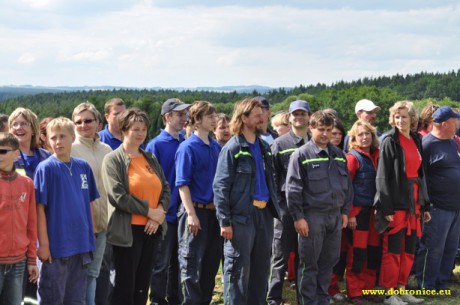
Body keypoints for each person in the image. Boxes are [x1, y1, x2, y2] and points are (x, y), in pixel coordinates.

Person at [213, 97, 281, 305]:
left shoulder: (263, 147)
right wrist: (224, 221)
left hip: (264, 215)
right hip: (241, 218)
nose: (263, 119)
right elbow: (220, 187)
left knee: (261, 270)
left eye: (263, 115)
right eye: (258, 116)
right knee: (238, 271)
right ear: (244, 118)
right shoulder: (232, 149)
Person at [101, 108, 170, 305]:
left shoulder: (150, 158)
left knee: (142, 285)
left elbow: (165, 189)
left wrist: (158, 216)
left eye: (143, 129)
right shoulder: (113, 159)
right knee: (124, 287)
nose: (140, 133)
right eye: (135, 129)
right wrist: (150, 211)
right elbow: (118, 196)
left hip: (152, 229)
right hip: (127, 232)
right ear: (124, 130)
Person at [286, 110, 351, 305]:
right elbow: (293, 189)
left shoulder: (339, 155)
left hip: (334, 217)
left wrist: (345, 212)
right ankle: (308, 301)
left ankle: (323, 300)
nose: (325, 134)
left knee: (328, 263)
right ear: (311, 128)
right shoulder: (301, 155)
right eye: (320, 129)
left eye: (329, 130)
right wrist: (298, 217)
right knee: (309, 265)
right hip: (312, 217)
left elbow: (348, 187)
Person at [35, 117, 99, 304]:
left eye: (62, 136)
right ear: (47, 140)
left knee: (76, 299)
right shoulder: (45, 168)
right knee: (53, 298)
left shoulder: (83, 167)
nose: (58, 141)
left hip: (81, 245)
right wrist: (44, 245)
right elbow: (40, 209)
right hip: (57, 248)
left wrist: (92, 233)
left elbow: (88, 202)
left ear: (73, 137)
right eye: (53, 137)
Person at [375, 101, 430, 305]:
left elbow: (421, 174)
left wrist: (425, 205)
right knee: (393, 251)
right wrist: (386, 207)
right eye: (397, 116)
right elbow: (382, 177)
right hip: (396, 205)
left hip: (415, 204)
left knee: (408, 250)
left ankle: (401, 288)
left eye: (404, 116)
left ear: (412, 118)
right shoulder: (390, 140)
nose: (400, 120)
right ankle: (389, 295)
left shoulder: (416, 139)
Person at [175, 101, 222, 305]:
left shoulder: (216, 147)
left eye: (214, 116)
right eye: (209, 116)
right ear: (196, 121)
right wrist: (191, 214)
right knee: (191, 265)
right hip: (194, 213)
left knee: (211, 267)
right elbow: (182, 184)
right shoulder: (187, 148)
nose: (214, 120)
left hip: (215, 214)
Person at [146, 98, 191, 305]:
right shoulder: (156, 145)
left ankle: (175, 299)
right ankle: (157, 300)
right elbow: (151, 182)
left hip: (183, 213)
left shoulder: (185, 142)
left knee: (179, 262)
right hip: (164, 214)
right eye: (179, 114)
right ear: (167, 117)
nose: (184, 118)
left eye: (185, 114)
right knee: (161, 263)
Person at [267, 100, 311, 305]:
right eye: (296, 114)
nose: (299, 117)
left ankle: (305, 296)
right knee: (280, 257)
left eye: (303, 114)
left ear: (309, 116)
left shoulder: (316, 141)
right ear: (290, 117)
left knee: (306, 256)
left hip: (309, 209)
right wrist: (278, 210)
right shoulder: (279, 144)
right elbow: (273, 179)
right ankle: (273, 297)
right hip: (284, 209)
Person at [71, 102, 113, 305]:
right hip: (80, 226)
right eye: (78, 122)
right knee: (78, 276)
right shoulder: (70, 149)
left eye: (88, 120)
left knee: (93, 275)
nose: (83, 125)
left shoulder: (106, 149)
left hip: (103, 224)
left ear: (98, 123)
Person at [415, 106, 460, 291]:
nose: (458, 123)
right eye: (455, 120)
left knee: (450, 248)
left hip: (455, 206)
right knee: (433, 248)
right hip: (437, 207)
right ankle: (426, 283)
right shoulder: (427, 144)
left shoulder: (451, 142)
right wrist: (425, 205)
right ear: (444, 123)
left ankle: (441, 282)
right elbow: (420, 176)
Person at [344, 120, 382, 305]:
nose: (365, 137)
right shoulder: (352, 158)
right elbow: (345, 187)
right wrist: (350, 213)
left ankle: (368, 289)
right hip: (358, 213)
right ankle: (355, 293)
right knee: (357, 254)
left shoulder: (377, 155)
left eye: (368, 134)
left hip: (375, 213)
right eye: (361, 134)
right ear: (354, 138)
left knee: (373, 253)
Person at [0, 133, 38, 305]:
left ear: (16, 154)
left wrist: (31, 260)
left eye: (3, 151)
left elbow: (31, 224)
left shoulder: (27, 183)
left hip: (19, 262)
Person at [8, 108, 51, 178]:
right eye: (14, 124)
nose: (18, 127)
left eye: (24, 124)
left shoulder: (46, 156)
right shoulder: (6, 156)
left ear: (33, 129)